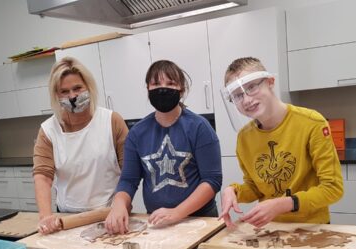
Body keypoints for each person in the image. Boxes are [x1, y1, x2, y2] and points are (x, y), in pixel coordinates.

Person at [220, 57, 343, 228]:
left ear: (270, 82)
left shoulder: (312, 123)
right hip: (271, 228)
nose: (246, 100)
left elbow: (333, 188)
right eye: (238, 95)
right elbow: (255, 187)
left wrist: (283, 204)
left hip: (312, 227)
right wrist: (233, 191)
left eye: (252, 87)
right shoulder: (244, 137)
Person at [105, 60, 222, 234]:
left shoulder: (199, 127)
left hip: (200, 220)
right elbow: (128, 180)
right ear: (148, 89)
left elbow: (212, 181)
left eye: (170, 83)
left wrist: (177, 212)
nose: (163, 88)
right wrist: (119, 204)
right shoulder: (137, 133)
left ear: (181, 89)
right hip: (157, 221)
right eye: (156, 84)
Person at [33, 57, 128, 234]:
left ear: (88, 87)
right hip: (67, 218)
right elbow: (43, 177)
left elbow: (129, 172)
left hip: (109, 214)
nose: (72, 96)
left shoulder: (111, 121)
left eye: (77, 88)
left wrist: (121, 204)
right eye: (64, 91)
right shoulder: (48, 131)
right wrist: (45, 216)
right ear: (56, 95)